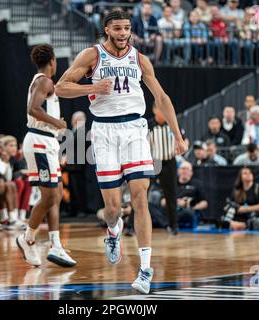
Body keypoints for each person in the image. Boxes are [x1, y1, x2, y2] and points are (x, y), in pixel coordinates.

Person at [55, 10, 187, 294]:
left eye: (127, 28)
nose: (123, 33)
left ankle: (145, 269)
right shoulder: (92, 56)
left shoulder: (140, 59)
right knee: (113, 209)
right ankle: (113, 230)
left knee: (140, 195)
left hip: (135, 130)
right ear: (106, 29)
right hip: (103, 132)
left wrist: (177, 135)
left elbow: (161, 98)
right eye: (117, 28)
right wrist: (92, 87)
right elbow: (60, 87)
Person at [16, 44, 77, 269]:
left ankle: (56, 245)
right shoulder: (44, 81)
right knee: (50, 196)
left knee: (57, 194)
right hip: (40, 140)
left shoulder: (43, 81)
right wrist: (57, 122)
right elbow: (33, 109)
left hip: (46, 141)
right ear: (52, 61)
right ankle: (27, 238)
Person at [148, 104, 179, 235]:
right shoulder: (148, 125)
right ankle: (131, 227)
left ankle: (174, 226)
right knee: (141, 194)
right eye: (160, 109)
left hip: (168, 162)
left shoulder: (172, 123)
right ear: (154, 110)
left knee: (171, 195)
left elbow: (183, 138)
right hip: (151, 162)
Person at [174, 161, 208, 228]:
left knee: (188, 212)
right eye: (183, 168)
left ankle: (168, 223)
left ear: (191, 172)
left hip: (189, 210)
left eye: (187, 169)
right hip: (173, 209)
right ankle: (167, 224)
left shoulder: (198, 184)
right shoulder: (172, 183)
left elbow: (205, 203)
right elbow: (163, 201)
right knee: (151, 208)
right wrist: (176, 202)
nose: (185, 171)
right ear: (178, 171)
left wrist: (193, 207)